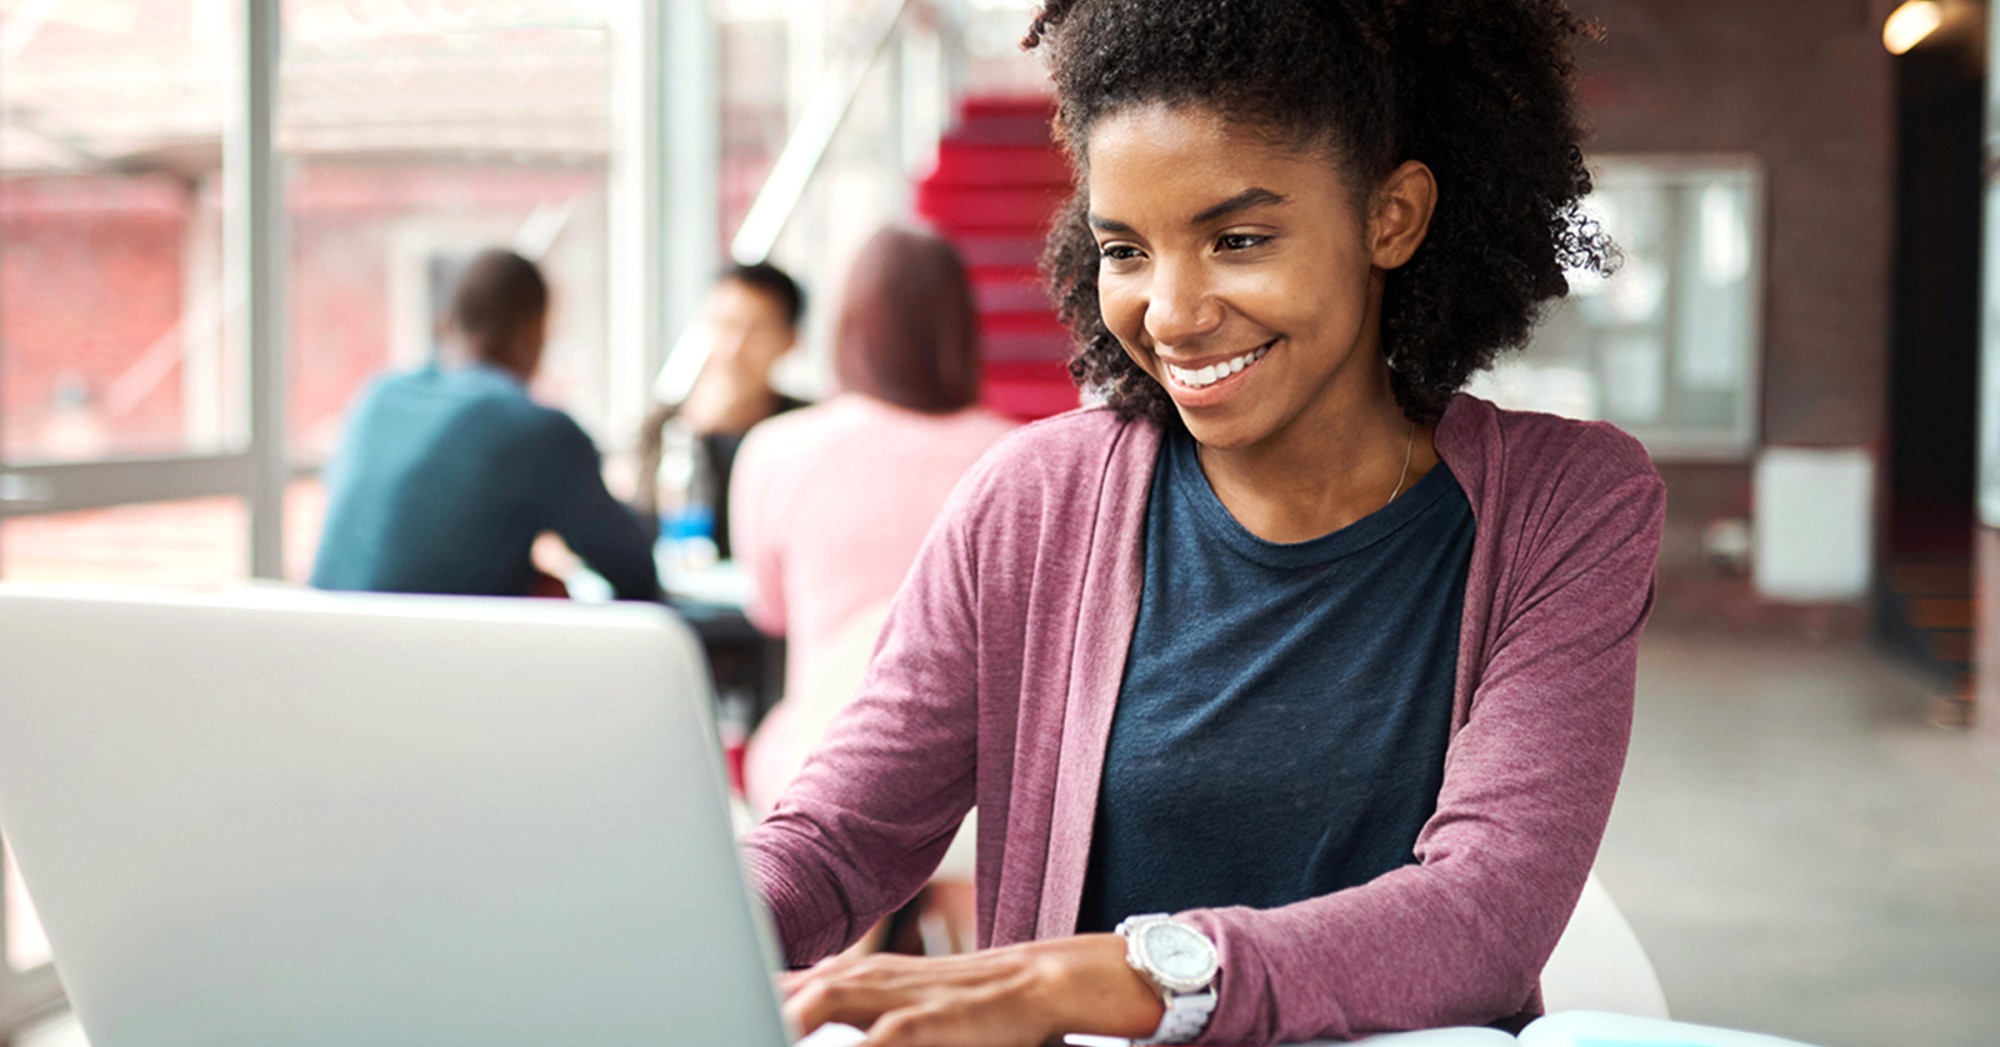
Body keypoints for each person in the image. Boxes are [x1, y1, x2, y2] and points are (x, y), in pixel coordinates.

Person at [744, 1, 1668, 1045]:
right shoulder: (1033, 502)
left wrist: (1106, 978)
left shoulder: (1566, 505)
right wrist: (657, 925)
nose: (1171, 313)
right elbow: (831, 844)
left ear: (1391, 216)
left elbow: (1483, 917)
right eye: (1126, 250)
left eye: (1236, 239)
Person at [728, 225, 1017, 812]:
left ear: (848, 327)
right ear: (962, 331)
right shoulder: (1020, 458)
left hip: (822, 765)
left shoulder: (778, 449)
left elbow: (769, 611)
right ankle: (972, 909)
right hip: (981, 783)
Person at [311, 249, 659, 602]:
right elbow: (635, 573)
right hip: (428, 653)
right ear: (535, 334)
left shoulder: (378, 396)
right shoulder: (537, 431)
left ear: (447, 323)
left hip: (319, 645)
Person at [635, 261, 808, 561]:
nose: (734, 349)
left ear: (790, 341)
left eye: (755, 331)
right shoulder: (666, 423)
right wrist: (694, 434)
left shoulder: (807, 428)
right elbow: (646, 531)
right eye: (724, 326)